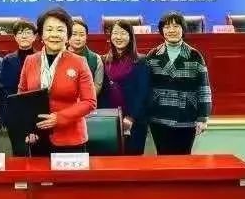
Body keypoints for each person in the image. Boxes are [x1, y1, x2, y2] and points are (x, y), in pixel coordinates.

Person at [17, 7, 96, 155]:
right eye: (49, 29)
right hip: (38, 136)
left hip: (70, 138)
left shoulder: (79, 62)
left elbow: (89, 102)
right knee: (37, 171)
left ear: (67, 35)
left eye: (60, 30)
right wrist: (28, 128)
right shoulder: (30, 61)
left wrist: (59, 118)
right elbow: (21, 97)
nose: (54, 34)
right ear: (41, 34)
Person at [144, 11, 212, 155]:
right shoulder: (153, 55)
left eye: (176, 26)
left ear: (183, 29)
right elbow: (145, 87)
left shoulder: (194, 55)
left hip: (186, 117)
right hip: (159, 117)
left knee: (184, 160)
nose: (172, 30)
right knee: (163, 159)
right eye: (167, 27)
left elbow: (204, 88)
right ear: (162, 30)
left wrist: (203, 117)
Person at [100, 20, 150, 155]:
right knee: (109, 161)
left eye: (123, 33)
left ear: (131, 37)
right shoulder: (103, 60)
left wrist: (131, 117)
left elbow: (142, 93)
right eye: (115, 33)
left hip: (134, 121)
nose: (119, 37)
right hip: (109, 120)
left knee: (132, 161)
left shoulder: (141, 61)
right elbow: (101, 93)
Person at [0, 20, 37, 156]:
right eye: (20, 33)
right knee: (19, 152)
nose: (24, 36)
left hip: (37, 113)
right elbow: (3, 89)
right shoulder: (8, 60)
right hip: (15, 114)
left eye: (27, 32)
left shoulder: (41, 58)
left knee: (39, 154)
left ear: (35, 36)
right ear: (15, 37)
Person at [68, 19, 104, 95]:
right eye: (74, 34)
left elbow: (97, 85)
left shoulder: (96, 59)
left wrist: (84, 99)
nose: (78, 38)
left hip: (87, 100)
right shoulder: (58, 56)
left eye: (81, 35)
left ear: (86, 37)